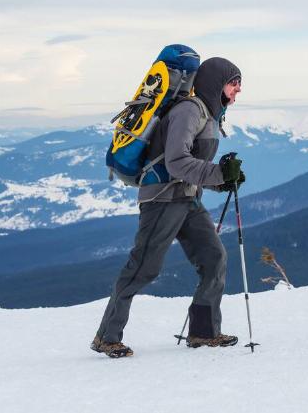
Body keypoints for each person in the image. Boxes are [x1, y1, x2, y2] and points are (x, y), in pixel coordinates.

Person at [91, 57, 245, 358]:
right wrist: (216, 174)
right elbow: (176, 161)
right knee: (143, 269)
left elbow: (192, 166)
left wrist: (225, 180)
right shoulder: (189, 111)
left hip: (186, 198)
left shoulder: (210, 114)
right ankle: (106, 337)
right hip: (161, 198)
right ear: (217, 83)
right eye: (234, 83)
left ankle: (203, 333)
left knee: (214, 258)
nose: (238, 91)